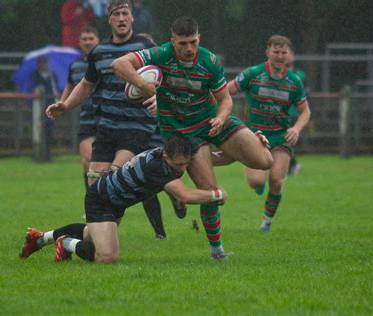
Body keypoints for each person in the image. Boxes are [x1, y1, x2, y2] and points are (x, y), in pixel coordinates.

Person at [112, 16, 273, 258]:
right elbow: (119, 64)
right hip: (182, 133)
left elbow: (226, 100)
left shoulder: (209, 61)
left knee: (265, 161)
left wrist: (220, 118)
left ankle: (234, 147)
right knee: (209, 191)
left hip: (213, 121)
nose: (189, 49)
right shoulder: (161, 54)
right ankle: (217, 251)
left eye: (193, 42)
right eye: (183, 43)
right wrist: (142, 84)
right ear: (172, 41)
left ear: (200, 39)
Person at [47, 0, 173, 239]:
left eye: (126, 13)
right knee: (95, 184)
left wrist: (160, 97)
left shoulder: (145, 46)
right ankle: (90, 238)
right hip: (106, 129)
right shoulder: (99, 52)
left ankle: (99, 241)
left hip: (136, 128)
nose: (122, 18)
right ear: (110, 19)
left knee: (115, 180)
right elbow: (86, 84)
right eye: (117, 14)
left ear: (132, 18)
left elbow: (164, 75)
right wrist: (66, 105)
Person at [19, 136, 228, 263]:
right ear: (166, 157)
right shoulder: (157, 166)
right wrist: (216, 194)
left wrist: (251, 145)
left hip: (116, 202)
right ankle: (65, 243)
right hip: (101, 201)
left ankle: (40, 238)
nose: (183, 169)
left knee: (88, 235)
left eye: (186, 164)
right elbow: (184, 195)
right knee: (106, 257)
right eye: (179, 165)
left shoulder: (171, 158)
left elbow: (214, 158)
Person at [226, 35, 311, 232]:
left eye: (284, 53)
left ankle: (267, 221)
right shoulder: (253, 73)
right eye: (276, 52)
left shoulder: (294, 81)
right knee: (256, 181)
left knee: (276, 180)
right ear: (268, 53)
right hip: (254, 135)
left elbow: (305, 112)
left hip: (281, 136)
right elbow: (227, 91)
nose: (280, 56)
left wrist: (296, 128)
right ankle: (258, 185)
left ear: (288, 55)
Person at [60, 26, 101, 190]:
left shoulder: (104, 61)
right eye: (84, 39)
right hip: (87, 118)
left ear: (98, 40)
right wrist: (62, 105)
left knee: (107, 165)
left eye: (91, 39)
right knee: (87, 160)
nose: (88, 42)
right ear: (79, 42)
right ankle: (91, 202)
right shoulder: (74, 66)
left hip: (107, 117)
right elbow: (70, 86)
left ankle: (106, 199)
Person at [27, 56, 60, 161]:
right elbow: (31, 88)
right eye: (41, 62)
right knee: (38, 130)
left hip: (49, 106)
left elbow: (56, 88)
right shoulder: (34, 75)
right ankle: (37, 155)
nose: (43, 64)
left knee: (49, 130)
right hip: (38, 107)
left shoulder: (52, 75)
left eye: (45, 62)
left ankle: (47, 155)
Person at [285, 49, 310, 176]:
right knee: (283, 142)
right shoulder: (277, 74)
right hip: (280, 114)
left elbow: (307, 95)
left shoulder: (300, 75)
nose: (286, 56)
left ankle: (292, 165)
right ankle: (292, 165)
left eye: (289, 53)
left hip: (295, 114)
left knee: (289, 141)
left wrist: (308, 115)